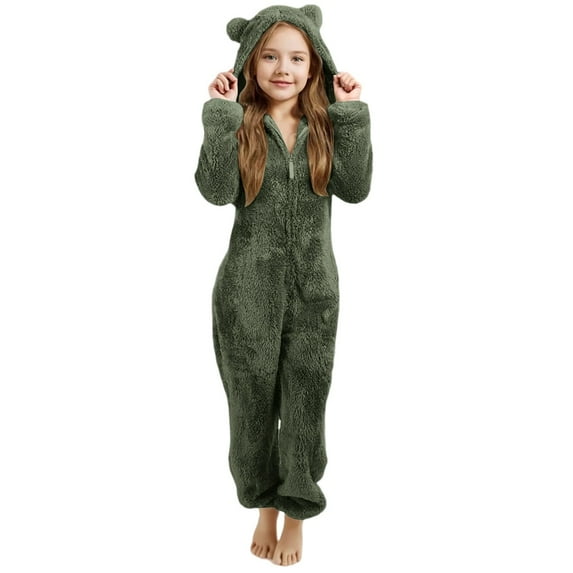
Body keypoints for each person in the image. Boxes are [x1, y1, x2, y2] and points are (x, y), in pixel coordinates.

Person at [195, 4, 372, 567]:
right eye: (270, 56)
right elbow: (215, 190)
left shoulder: (327, 125)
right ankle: (263, 505)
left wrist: (351, 114)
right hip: (245, 292)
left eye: (297, 58)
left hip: (315, 293)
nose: (283, 68)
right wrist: (220, 116)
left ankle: (295, 510)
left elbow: (355, 188)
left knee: (304, 405)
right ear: (250, 62)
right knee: (250, 407)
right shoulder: (242, 124)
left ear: (315, 65)